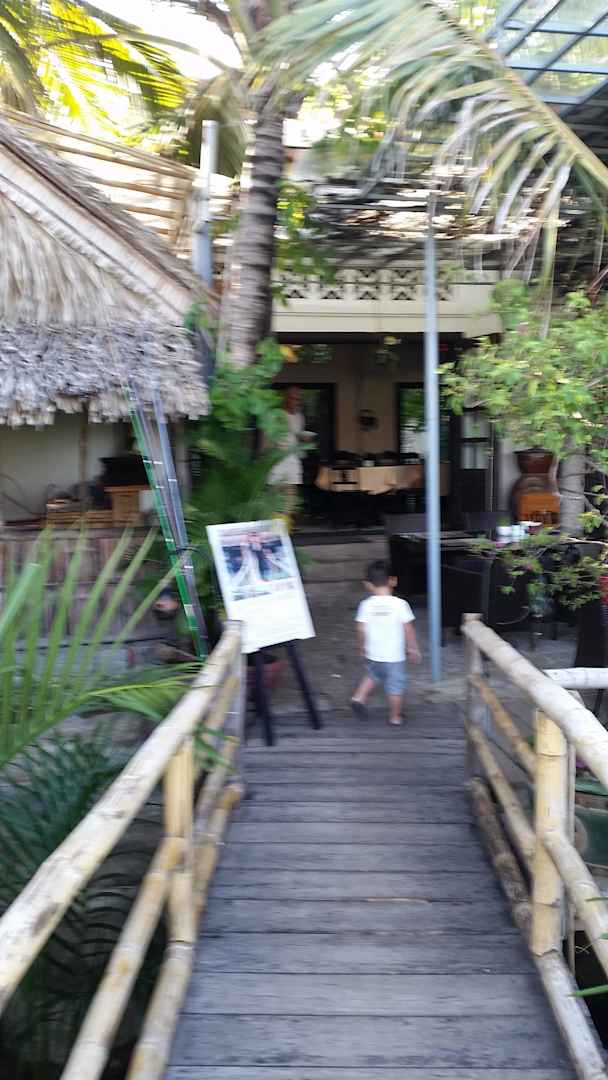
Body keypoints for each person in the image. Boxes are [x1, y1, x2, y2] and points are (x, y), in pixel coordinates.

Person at [351, 559, 421, 726]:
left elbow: (360, 629)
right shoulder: (400, 604)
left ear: (368, 585)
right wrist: (413, 648)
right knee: (396, 685)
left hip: (373, 653)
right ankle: (395, 717)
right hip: (394, 656)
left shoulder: (365, 605)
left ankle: (359, 697)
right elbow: (408, 629)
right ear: (393, 581)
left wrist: (361, 647)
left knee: (373, 674)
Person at [268, 386, 313, 516]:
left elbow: (297, 436)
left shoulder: (299, 417)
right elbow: (268, 438)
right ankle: (274, 522)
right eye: (293, 398)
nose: (296, 402)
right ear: (285, 398)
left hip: (293, 461)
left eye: (298, 399)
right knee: (274, 496)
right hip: (277, 461)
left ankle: (286, 522)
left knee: (290, 498)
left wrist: (304, 439)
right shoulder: (276, 415)